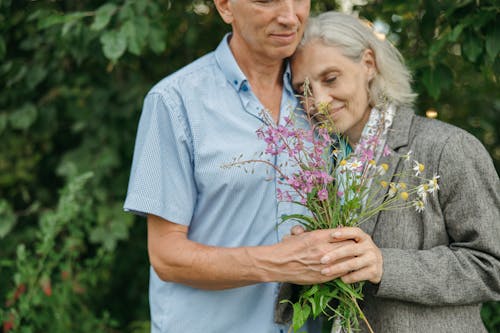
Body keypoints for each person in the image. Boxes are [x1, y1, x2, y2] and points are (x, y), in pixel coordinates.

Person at [123, 1, 359, 332]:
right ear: (224, 6)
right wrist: (280, 263)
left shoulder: (322, 97)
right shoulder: (175, 101)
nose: (290, 17)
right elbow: (167, 257)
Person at [277, 11, 500, 333]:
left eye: (330, 79)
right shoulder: (321, 163)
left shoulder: (447, 147)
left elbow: (492, 266)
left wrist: (384, 265)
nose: (318, 102)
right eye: (304, 90)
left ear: (368, 63)